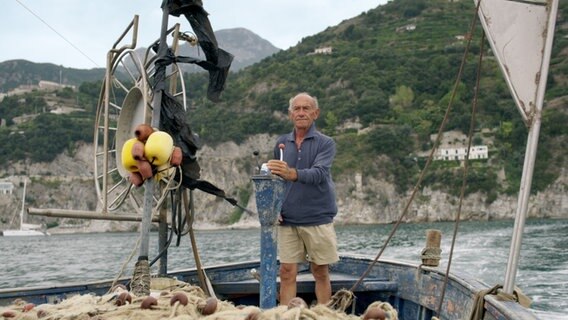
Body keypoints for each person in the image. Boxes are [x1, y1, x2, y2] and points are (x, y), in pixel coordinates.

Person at [266, 92, 339, 306]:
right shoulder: (281, 143)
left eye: (306, 108)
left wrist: (291, 173)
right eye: (296, 109)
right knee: (287, 272)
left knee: (320, 271)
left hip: (318, 218)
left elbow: (319, 174)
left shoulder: (326, 143)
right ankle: (287, 316)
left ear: (315, 113)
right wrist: (275, 208)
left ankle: (325, 314)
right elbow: (275, 180)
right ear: (290, 115)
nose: (301, 113)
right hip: (288, 219)